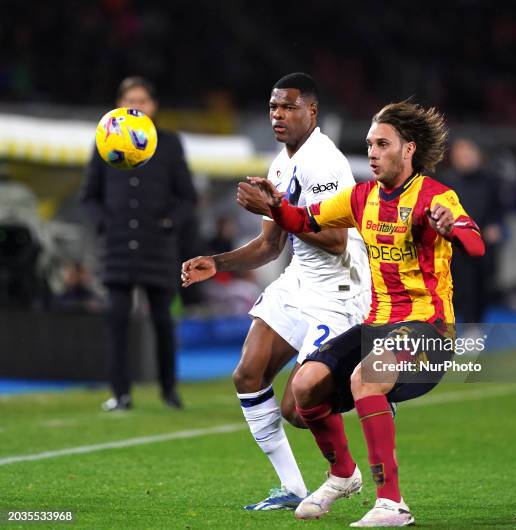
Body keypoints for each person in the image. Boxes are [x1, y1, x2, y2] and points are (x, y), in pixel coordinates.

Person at [242, 100, 484, 526]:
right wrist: (275, 207)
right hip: (377, 328)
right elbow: (305, 220)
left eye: (382, 144)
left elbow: (476, 244)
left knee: (364, 378)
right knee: (305, 386)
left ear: (408, 149)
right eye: (370, 144)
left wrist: (452, 227)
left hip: (429, 331)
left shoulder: (435, 196)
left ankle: (392, 504)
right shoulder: (361, 197)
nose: (372, 152)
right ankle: (341, 474)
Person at [181, 73, 370, 510]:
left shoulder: (324, 161)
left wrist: (276, 209)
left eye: (288, 107)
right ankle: (294, 487)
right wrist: (219, 262)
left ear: (312, 111)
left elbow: (336, 240)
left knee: (297, 409)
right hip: (299, 281)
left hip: (339, 289)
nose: (278, 115)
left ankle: (354, 415)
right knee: (248, 374)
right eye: (273, 108)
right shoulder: (281, 163)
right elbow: (270, 244)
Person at [81, 76, 198, 412]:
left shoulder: (169, 143)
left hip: (157, 247)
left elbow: (187, 197)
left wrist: (170, 223)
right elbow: (88, 196)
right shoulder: (104, 144)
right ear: (118, 105)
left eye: (142, 100)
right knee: (116, 320)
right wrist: (104, 222)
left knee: (162, 321)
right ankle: (121, 394)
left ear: (153, 106)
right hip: (117, 246)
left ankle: (169, 392)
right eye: (129, 100)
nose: (136, 107)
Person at [445, 138, 504, 325]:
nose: (465, 159)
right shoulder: (447, 181)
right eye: (460, 156)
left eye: (468, 154)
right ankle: (465, 323)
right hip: (456, 242)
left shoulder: (492, 181)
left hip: (484, 241)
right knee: (461, 285)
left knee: (483, 285)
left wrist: (496, 226)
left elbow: (500, 209)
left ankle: (477, 323)